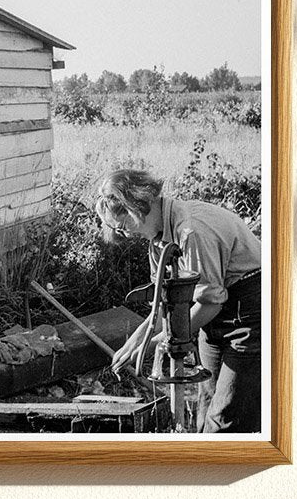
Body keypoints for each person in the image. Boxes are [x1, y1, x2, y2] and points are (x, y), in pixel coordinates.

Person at [94, 169, 262, 433]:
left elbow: (211, 302)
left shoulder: (190, 231)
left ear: (139, 205)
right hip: (217, 315)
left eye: (123, 228)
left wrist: (159, 342)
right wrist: (133, 343)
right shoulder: (159, 241)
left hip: (252, 310)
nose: (125, 236)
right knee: (205, 406)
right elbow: (164, 307)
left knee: (227, 418)